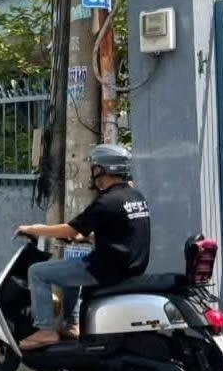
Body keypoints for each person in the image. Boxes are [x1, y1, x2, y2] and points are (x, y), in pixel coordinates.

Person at [16, 144, 151, 350]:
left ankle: (45, 330)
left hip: (105, 270)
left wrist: (34, 229)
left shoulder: (107, 201)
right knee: (70, 264)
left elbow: (69, 230)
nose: (92, 172)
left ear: (103, 169)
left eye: (95, 167)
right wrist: (86, 238)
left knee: (37, 272)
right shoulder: (135, 196)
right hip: (130, 266)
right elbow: (122, 230)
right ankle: (72, 324)